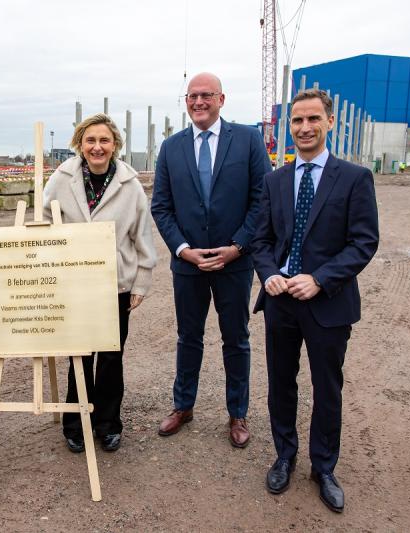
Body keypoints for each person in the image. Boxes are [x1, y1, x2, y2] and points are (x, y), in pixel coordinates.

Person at [252, 89, 379, 512]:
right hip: (281, 301)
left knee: (327, 388)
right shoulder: (275, 180)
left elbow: (363, 242)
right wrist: (270, 274)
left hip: (328, 303)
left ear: (328, 123)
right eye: (296, 121)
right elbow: (263, 240)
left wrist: (321, 280)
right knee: (280, 384)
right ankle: (285, 456)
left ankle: (323, 466)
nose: (304, 128)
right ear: (289, 128)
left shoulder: (354, 178)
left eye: (312, 120)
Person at [151, 72, 271, 447]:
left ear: (222, 99)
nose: (198, 102)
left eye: (206, 95)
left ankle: (237, 414)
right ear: (185, 101)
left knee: (236, 339)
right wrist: (183, 249)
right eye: (192, 96)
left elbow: (261, 200)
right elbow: (162, 207)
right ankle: (183, 406)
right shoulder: (171, 148)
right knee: (189, 337)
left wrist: (238, 245)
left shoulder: (248, 141)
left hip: (234, 262)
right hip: (188, 265)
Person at [43, 113, 157, 453]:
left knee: (111, 355)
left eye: (104, 140)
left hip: (115, 285)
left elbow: (142, 236)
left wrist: (140, 283)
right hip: (74, 283)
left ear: (115, 145)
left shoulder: (130, 185)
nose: (97, 147)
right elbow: (44, 221)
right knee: (78, 355)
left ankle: (108, 423)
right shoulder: (61, 180)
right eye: (90, 140)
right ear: (80, 143)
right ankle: (75, 423)